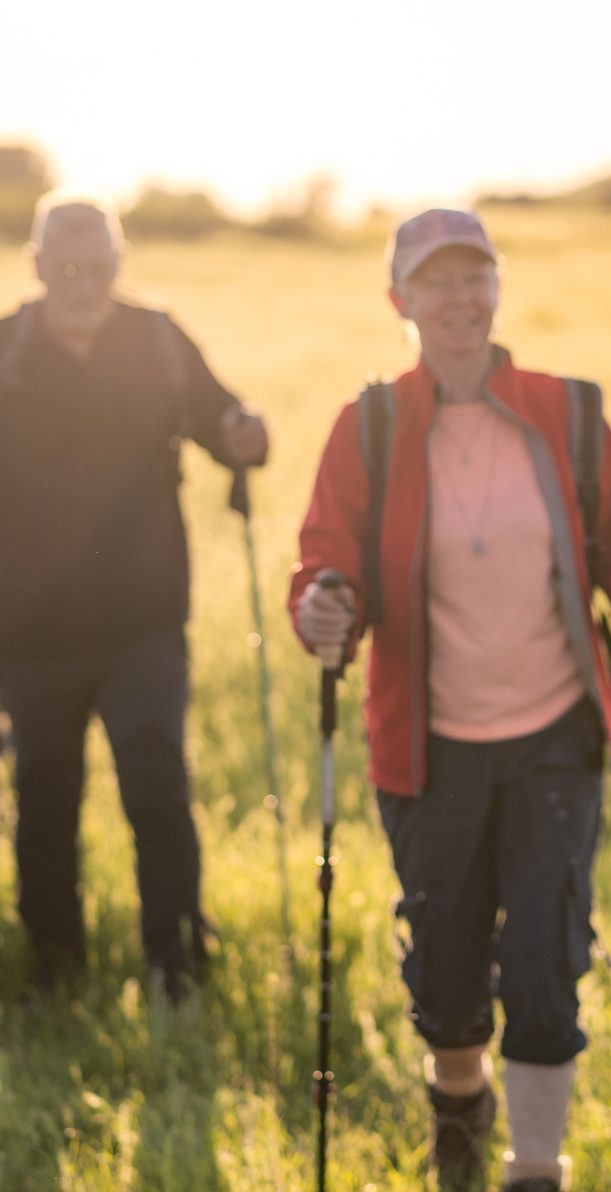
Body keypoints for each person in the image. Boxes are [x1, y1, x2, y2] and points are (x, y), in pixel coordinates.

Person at [290, 207, 611, 1192]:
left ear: (498, 289)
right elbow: (327, 565)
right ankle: (457, 1114)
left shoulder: (566, 411)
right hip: (429, 747)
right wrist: (322, 609)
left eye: (478, 278)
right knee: (449, 972)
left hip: (556, 730)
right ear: (399, 302)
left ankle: (534, 1187)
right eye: (435, 283)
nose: (460, 301)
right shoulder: (367, 427)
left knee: (549, 963)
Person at [0, 194, 268, 999]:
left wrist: (247, 435)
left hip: (144, 621)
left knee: (157, 787)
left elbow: (225, 423)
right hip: (28, 630)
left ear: (120, 265)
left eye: (101, 266)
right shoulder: (5, 350)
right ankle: (53, 967)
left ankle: (176, 959)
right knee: (44, 798)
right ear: (38, 266)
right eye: (68, 267)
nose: (85, 283)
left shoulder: (157, 341)